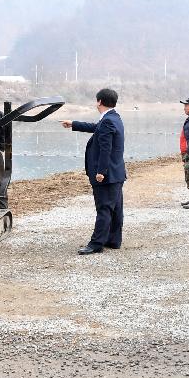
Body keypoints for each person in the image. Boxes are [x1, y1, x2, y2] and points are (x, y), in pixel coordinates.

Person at [60, 88, 126, 255]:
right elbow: (97, 128)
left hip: (107, 175)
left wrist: (100, 172)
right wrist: (74, 124)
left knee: (104, 208)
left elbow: (106, 149)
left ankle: (96, 244)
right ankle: (113, 240)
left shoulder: (108, 121)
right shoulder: (113, 118)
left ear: (99, 101)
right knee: (115, 208)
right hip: (116, 173)